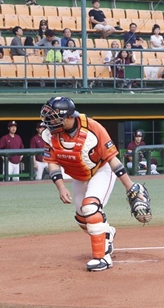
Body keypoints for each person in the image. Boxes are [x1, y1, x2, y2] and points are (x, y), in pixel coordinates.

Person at [40, 96, 149, 271]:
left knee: (91, 208)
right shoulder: (50, 135)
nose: (50, 122)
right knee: (82, 218)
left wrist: (130, 186)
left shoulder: (93, 129)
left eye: (54, 118)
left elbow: (113, 160)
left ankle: (103, 257)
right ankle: (107, 233)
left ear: (69, 117)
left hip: (101, 170)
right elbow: (52, 162)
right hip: (80, 176)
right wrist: (61, 186)